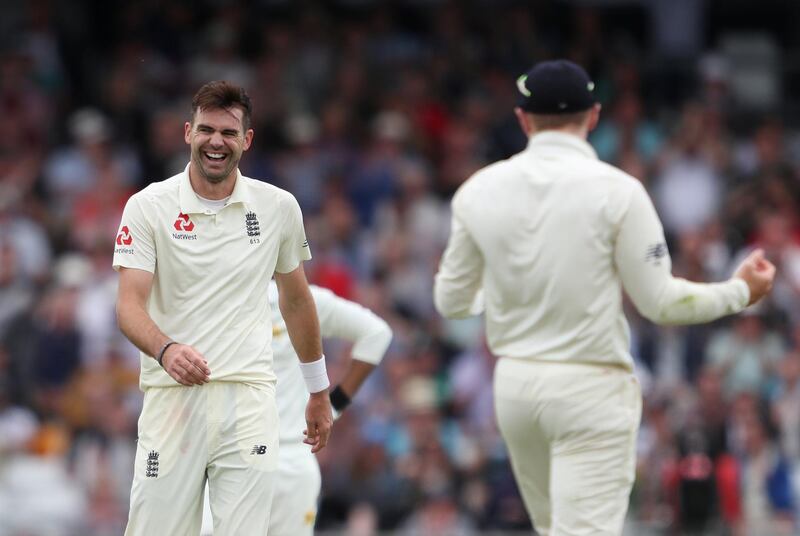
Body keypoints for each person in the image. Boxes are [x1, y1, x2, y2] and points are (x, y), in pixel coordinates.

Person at [433, 60, 776, 536]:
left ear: (522, 118)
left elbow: (451, 302)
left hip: (515, 389)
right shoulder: (620, 192)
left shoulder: (477, 191)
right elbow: (660, 303)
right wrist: (740, 292)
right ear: (593, 116)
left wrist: (512, 285)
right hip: (589, 387)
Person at [113, 81, 333, 536]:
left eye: (229, 133)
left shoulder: (278, 207)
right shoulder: (148, 206)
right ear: (188, 132)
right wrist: (166, 349)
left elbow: (296, 299)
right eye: (207, 130)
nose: (217, 142)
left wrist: (318, 390)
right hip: (173, 398)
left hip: (249, 398)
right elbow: (129, 305)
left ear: (246, 140)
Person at [199, 280, 393, 535]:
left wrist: (334, 406)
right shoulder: (212, 301)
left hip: (276, 458)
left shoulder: (301, 299)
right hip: (249, 460)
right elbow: (377, 333)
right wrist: (334, 406)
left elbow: (377, 333)